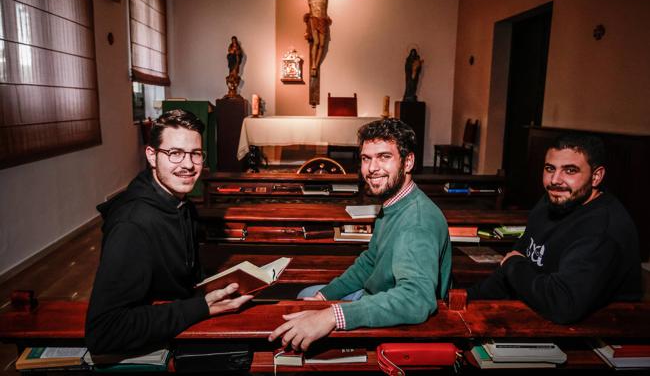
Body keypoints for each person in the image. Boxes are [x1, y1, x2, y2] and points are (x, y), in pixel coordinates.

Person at [269, 118, 452, 351]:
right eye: (367, 159)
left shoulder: (416, 223)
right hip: (375, 295)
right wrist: (326, 297)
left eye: (385, 157)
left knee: (305, 317)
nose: (372, 168)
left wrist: (332, 316)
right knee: (309, 295)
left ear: (408, 162)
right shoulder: (395, 202)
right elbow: (370, 261)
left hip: (395, 316)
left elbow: (416, 299)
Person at [85, 110, 252, 354]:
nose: (188, 164)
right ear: (152, 156)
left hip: (179, 316)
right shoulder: (131, 226)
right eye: (175, 153)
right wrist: (201, 307)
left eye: (195, 154)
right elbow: (104, 332)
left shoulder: (178, 200)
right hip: (157, 344)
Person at [467, 133, 641, 324]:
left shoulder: (602, 229)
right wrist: (466, 299)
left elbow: (562, 304)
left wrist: (514, 265)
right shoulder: (552, 201)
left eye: (570, 171)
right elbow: (512, 266)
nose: (555, 180)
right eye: (550, 169)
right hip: (536, 310)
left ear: (596, 176)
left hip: (596, 334)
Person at [272, 0, 362, 75]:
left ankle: (317, 63)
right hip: (313, 18)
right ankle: (314, 64)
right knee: (316, 42)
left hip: (322, 19)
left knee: (322, 44)